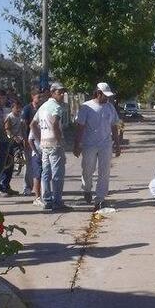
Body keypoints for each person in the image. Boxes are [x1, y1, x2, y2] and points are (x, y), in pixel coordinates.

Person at [73, 82, 121, 210]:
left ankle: (100, 198)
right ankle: (87, 189)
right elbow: (80, 127)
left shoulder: (110, 107)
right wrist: (76, 145)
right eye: (105, 96)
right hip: (89, 144)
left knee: (104, 172)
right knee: (88, 170)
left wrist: (117, 144)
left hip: (105, 144)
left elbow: (114, 126)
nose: (107, 98)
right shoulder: (86, 107)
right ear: (98, 93)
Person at [31, 82, 71, 211]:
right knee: (57, 174)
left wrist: (39, 139)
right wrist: (60, 141)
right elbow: (54, 123)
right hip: (54, 144)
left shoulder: (42, 107)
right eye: (59, 92)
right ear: (53, 92)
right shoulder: (56, 107)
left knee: (46, 173)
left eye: (63, 93)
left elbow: (32, 124)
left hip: (44, 144)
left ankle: (47, 200)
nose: (61, 95)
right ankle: (57, 202)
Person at [21, 89, 45, 196]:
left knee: (38, 167)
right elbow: (24, 125)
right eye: (38, 97)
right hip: (29, 139)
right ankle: (27, 187)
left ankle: (38, 189)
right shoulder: (27, 109)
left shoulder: (42, 108)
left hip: (39, 141)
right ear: (32, 97)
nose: (40, 99)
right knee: (28, 165)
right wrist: (25, 139)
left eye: (41, 97)